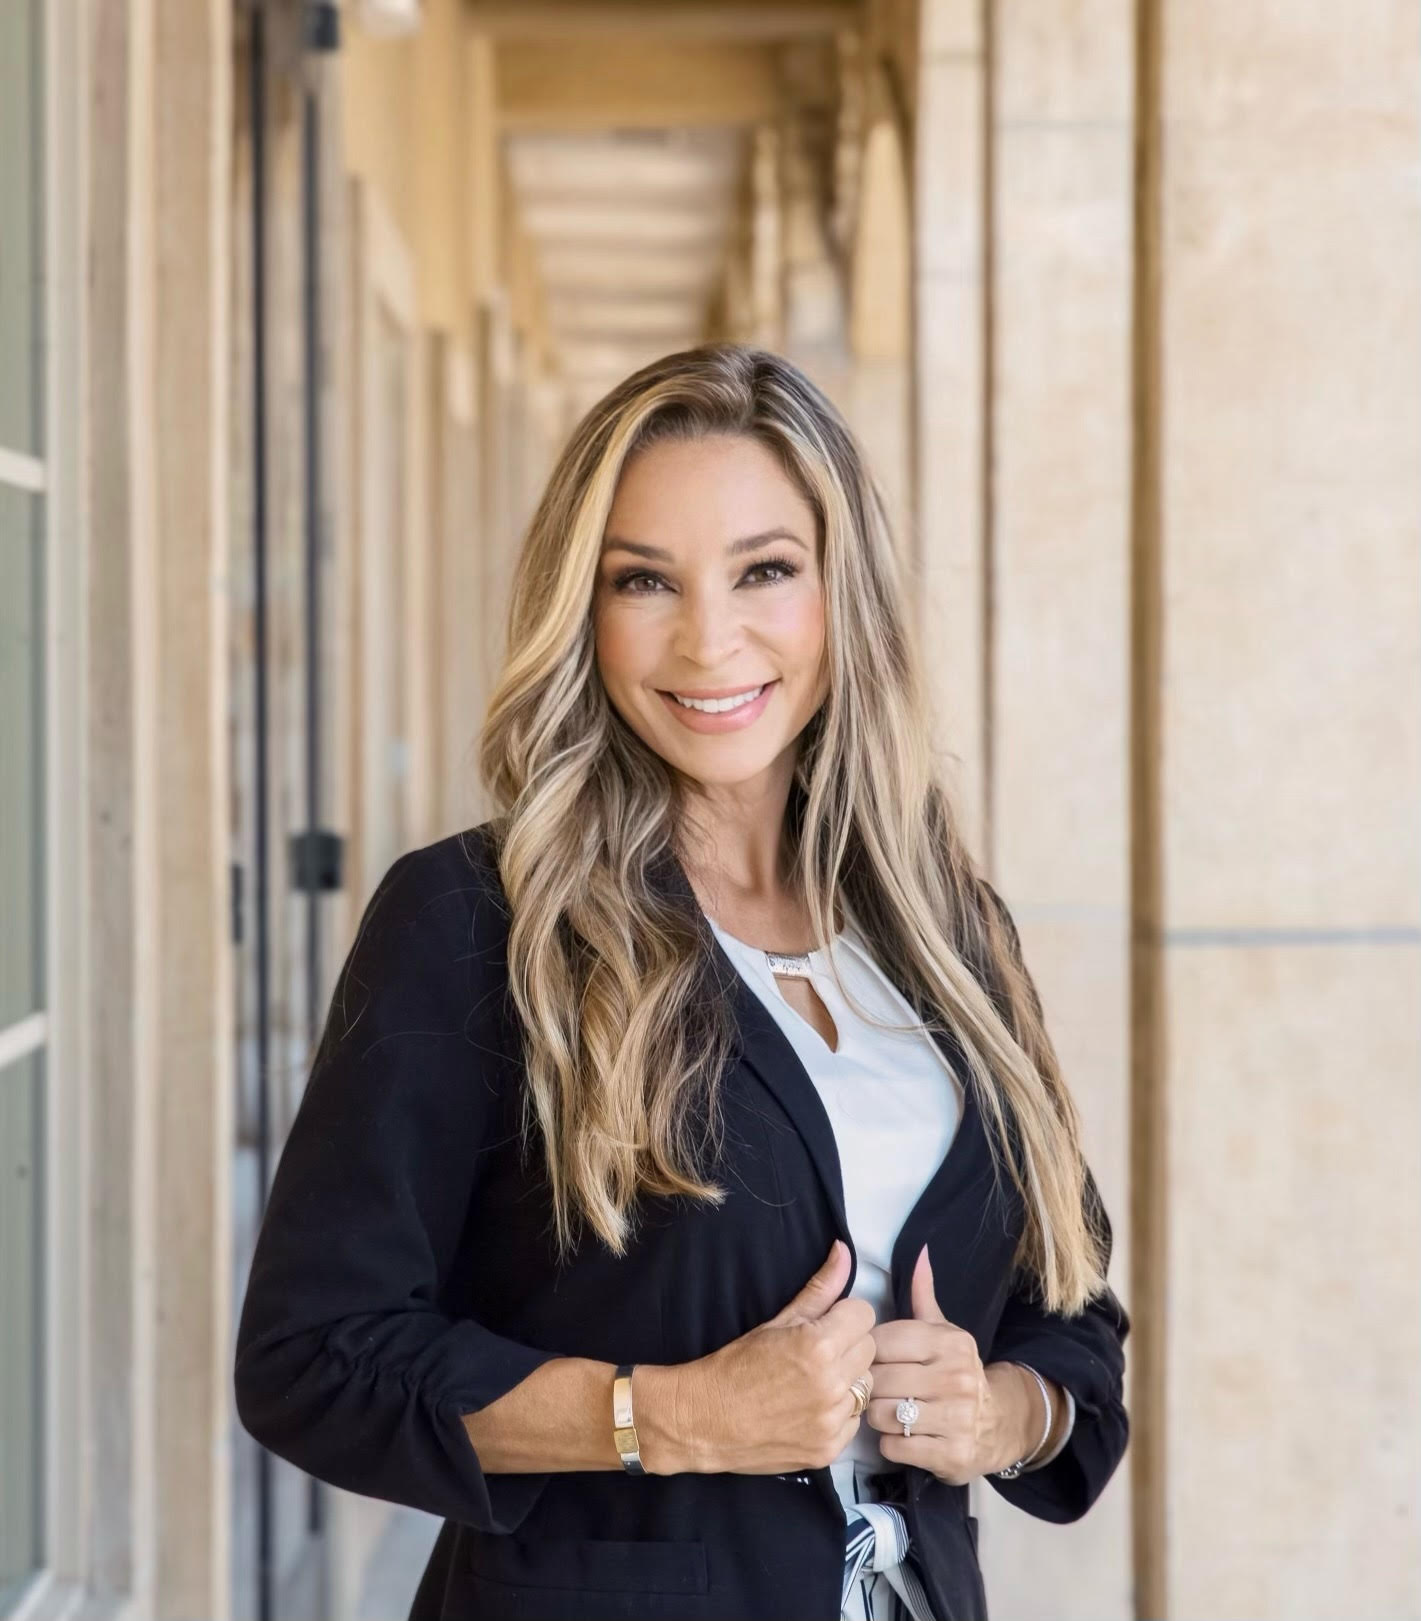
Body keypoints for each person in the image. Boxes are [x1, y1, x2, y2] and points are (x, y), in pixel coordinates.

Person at [233, 342, 1130, 1621]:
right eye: (643, 580)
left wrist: (998, 1412)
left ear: (842, 592)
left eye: (764, 570)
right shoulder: (475, 921)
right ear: (582, 611)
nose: (710, 640)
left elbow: (1072, 1312)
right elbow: (313, 1358)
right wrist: (663, 1416)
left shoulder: (947, 928)